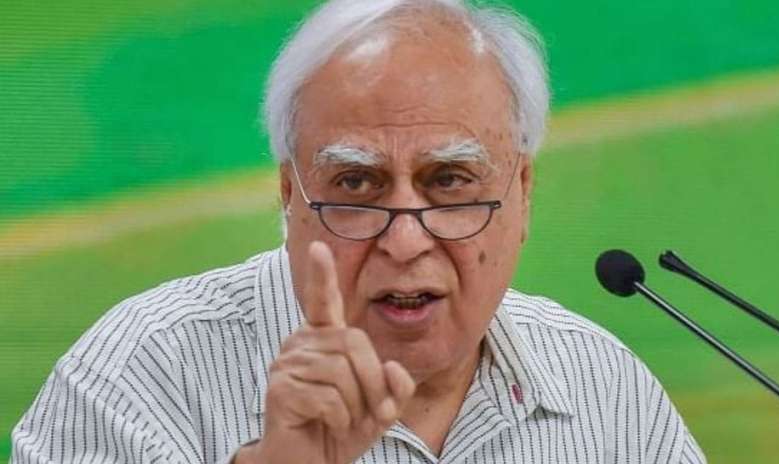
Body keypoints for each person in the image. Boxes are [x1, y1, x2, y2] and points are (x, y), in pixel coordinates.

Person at [12, 0, 707, 463]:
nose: (405, 242)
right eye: (355, 185)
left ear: (522, 194)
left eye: (449, 181)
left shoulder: (602, 385)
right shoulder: (140, 375)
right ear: (290, 194)